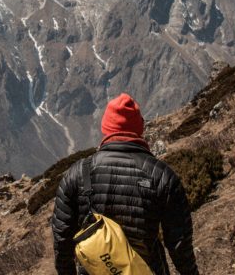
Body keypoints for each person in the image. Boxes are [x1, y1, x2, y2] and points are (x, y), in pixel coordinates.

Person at [51, 93, 199, 275]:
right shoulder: (162, 176)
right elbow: (180, 243)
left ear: (106, 128)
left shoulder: (78, 173)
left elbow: (61, 238)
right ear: (139, 128)